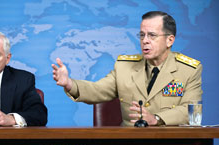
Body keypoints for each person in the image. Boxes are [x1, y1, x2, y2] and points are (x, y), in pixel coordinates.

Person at [52, 11, 202, 126]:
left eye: (152, 35)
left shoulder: (188, 70)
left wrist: (156, 119)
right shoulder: (124, 67)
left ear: (170, 40)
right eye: (142, 35)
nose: (145, 41)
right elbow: (97, 90)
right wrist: (69, 83)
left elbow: (190, 110)